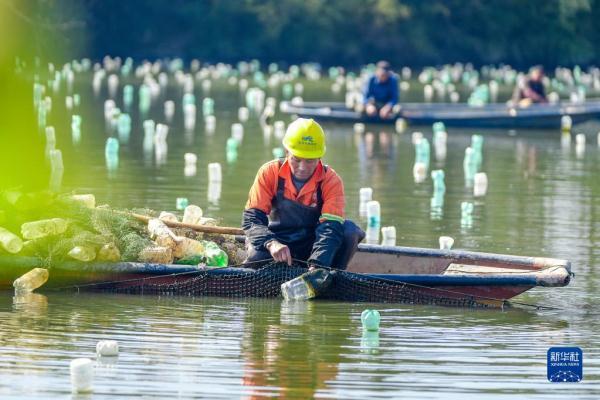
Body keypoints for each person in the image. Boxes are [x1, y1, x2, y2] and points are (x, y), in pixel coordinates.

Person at [242, 118, 365, 269]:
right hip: (278, 242)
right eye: (296, 159)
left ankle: (331, 277)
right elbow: (252, 219)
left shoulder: (331, 180)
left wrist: (318, 264)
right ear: (287, 152)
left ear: (320, 157)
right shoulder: (269, 172)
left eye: (310, 161)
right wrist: (271, 243)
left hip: (312, 245)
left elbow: (330, 227)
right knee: (256, 257)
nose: (302, 167)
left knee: (349, 231)